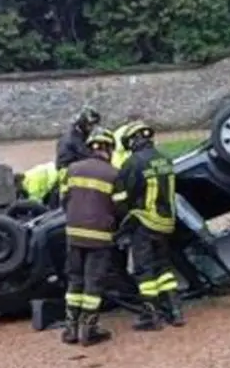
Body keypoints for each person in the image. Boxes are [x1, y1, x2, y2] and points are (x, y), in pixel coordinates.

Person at [114, 121, 184, 330]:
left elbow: (121, 198)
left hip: (145, 223)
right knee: (164, 267)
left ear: (134, 140)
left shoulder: (133, 163)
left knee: (144, 271)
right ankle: (175, 311)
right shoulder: (165, 159)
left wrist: (123, 223)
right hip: (166, 223)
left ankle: (150, 316)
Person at [61, 128, 120, 346]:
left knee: (74, 281)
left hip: (74, 235)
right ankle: (89, 330)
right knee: (93, 285)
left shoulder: (73, 169)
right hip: (99, 237)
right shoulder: (114, 174)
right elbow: (119, 207)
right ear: (109, 149)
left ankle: (70, 330)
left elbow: (64, 200)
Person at [52, 107, 102, 208]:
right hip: (69, 178)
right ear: (83, 123)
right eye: (90, 125)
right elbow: (87, 157)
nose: (92, 128)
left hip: (70, 175)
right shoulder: (74, 140)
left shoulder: (76, 135)